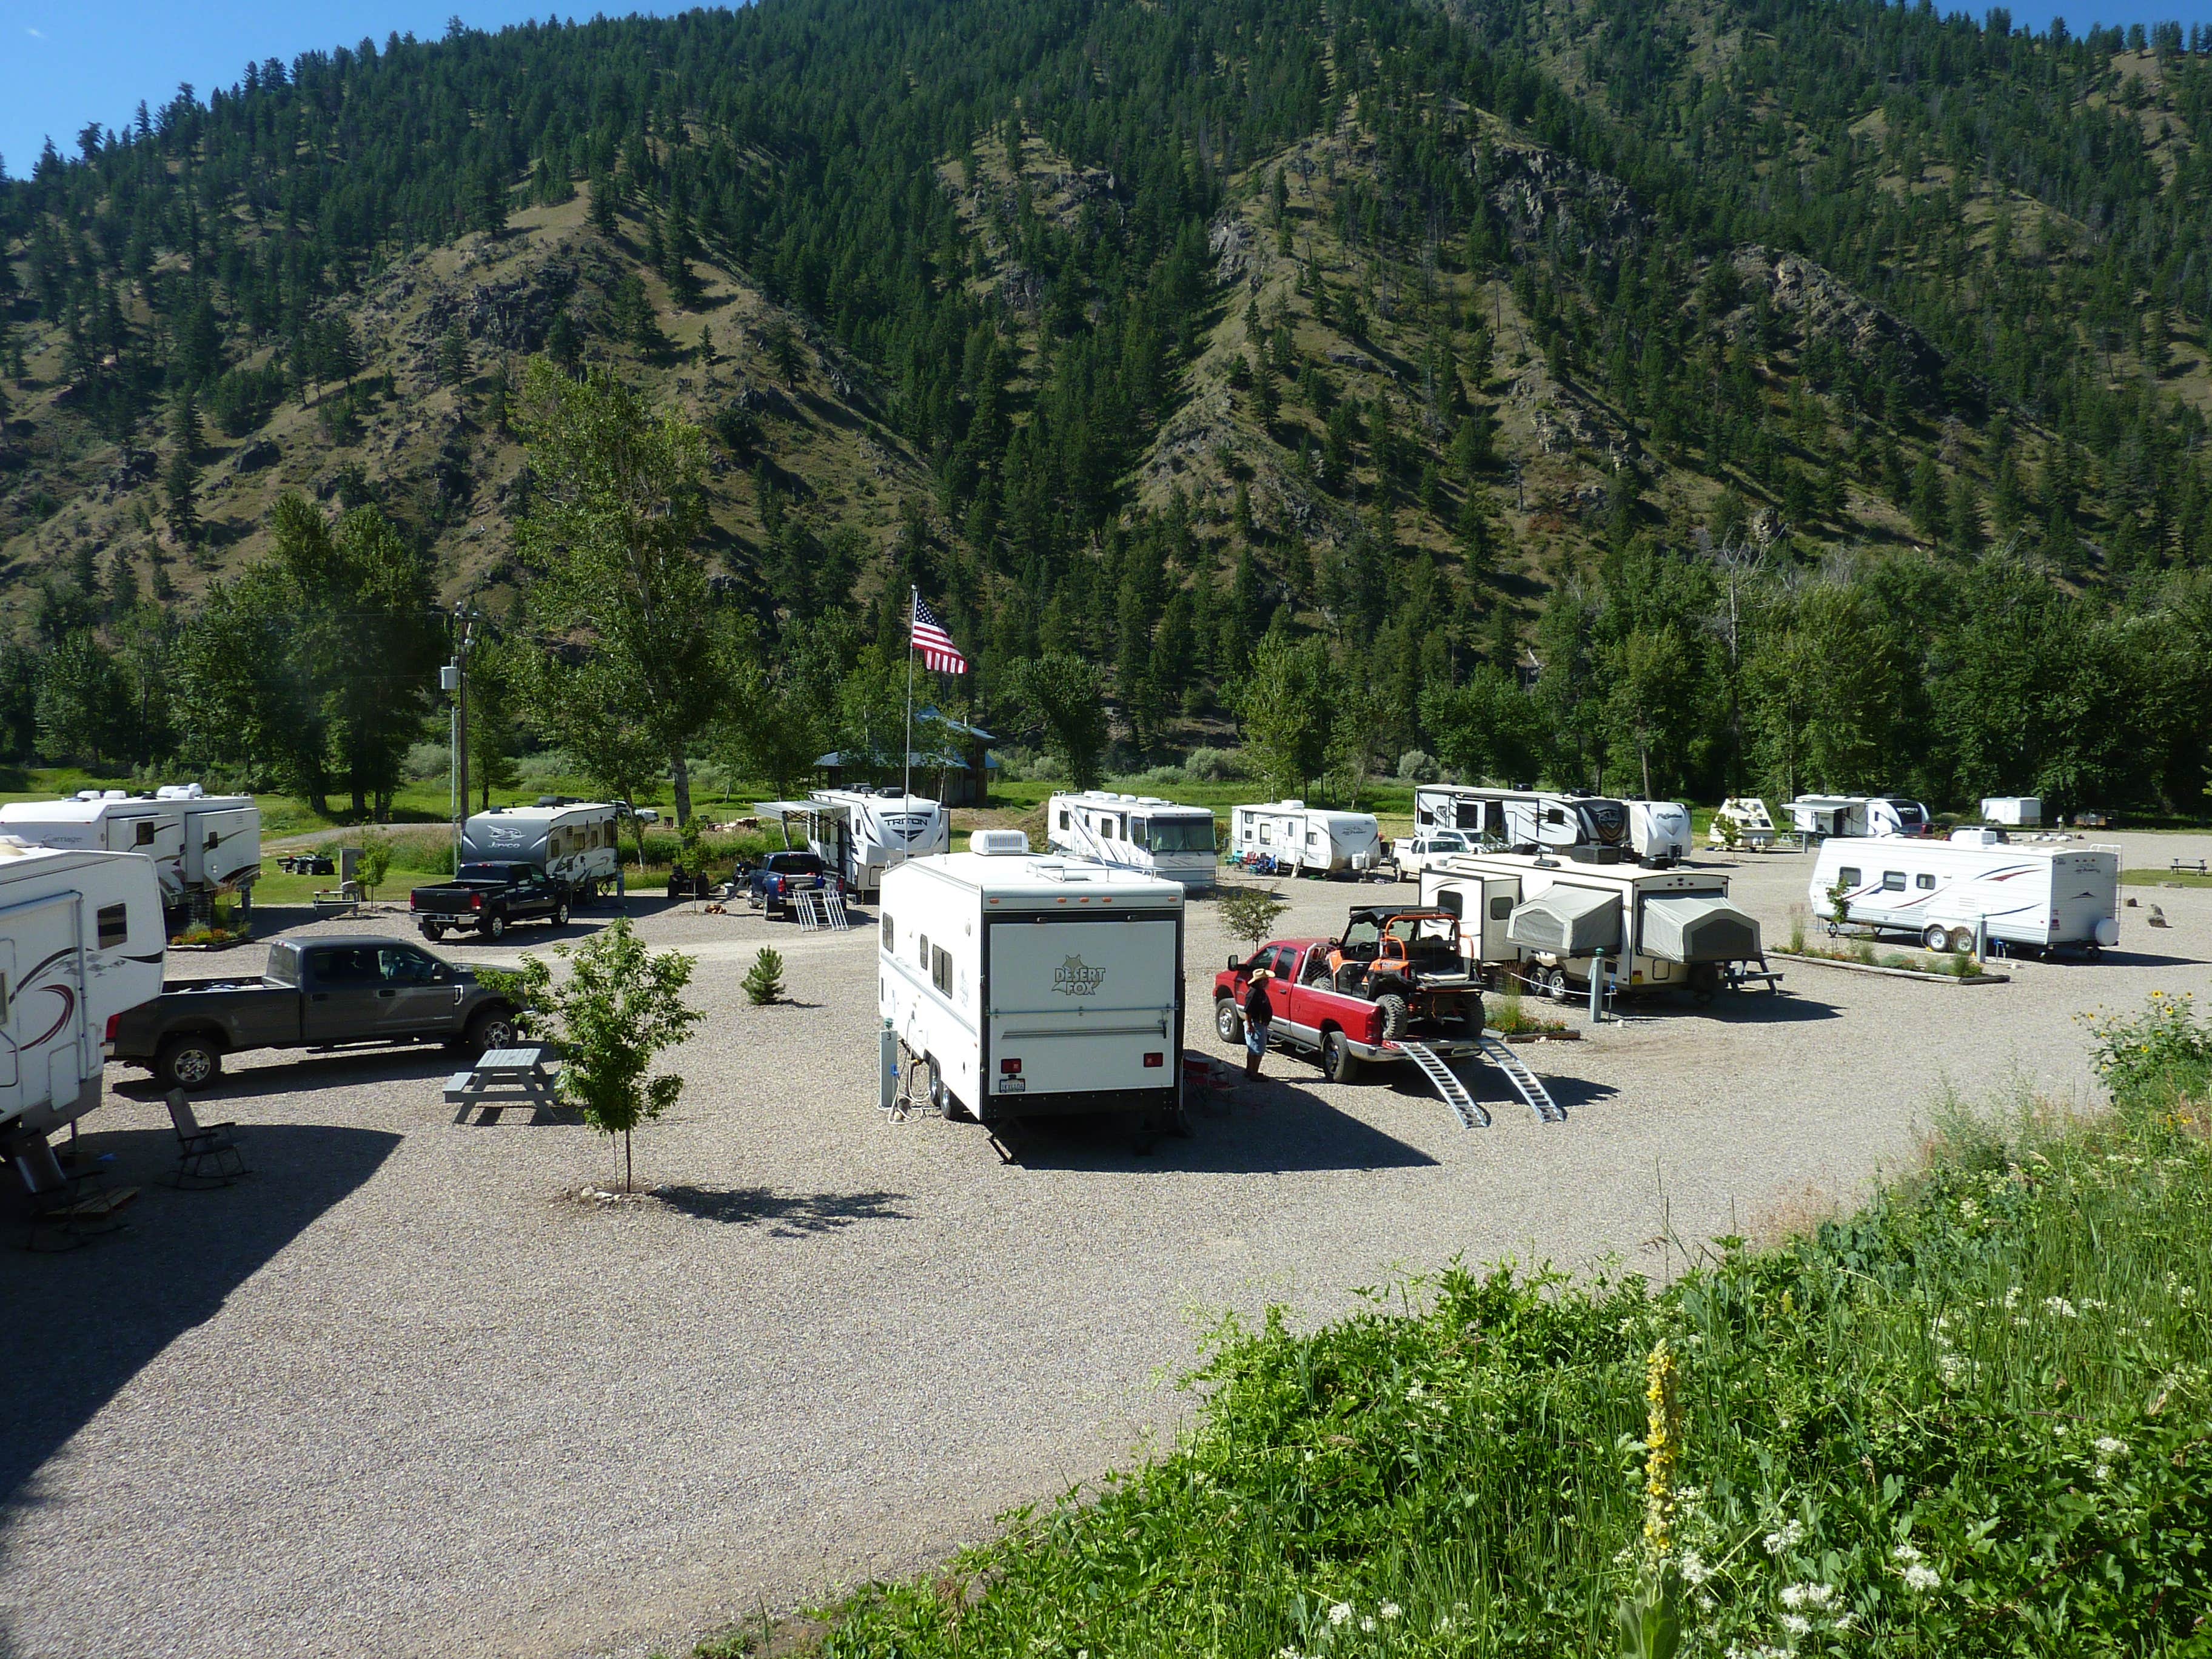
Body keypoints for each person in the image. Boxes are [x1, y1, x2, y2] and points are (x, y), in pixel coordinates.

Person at [1242, 967, 1275, 1080]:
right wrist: (1250, 1025)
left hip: (1259, 1024)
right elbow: (1247, 1011)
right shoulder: (1254, 993)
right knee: (1258, 1050)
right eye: (1265, 980)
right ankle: (1254, 1073)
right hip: (1256, 1024)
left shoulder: (1259, 991)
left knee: (1254, 1049)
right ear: (1259, 981)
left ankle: (1250, 1070)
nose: (1267, 982)